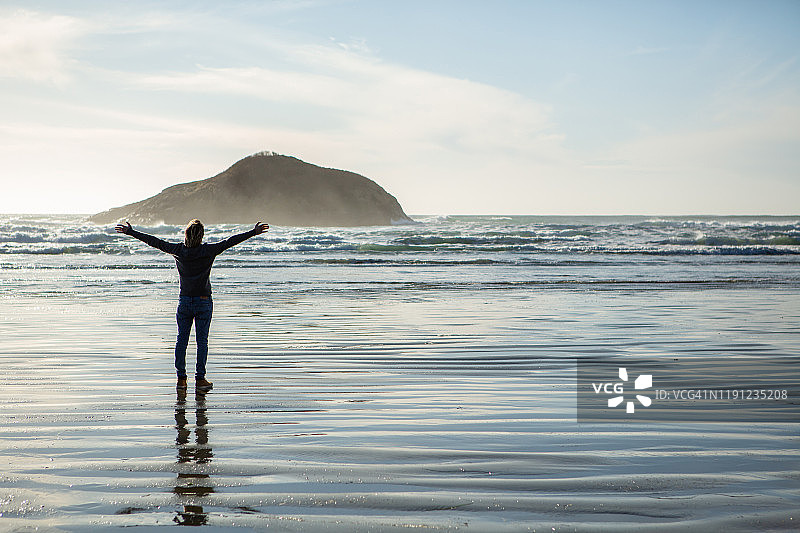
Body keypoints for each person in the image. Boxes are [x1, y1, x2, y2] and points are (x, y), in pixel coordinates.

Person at [115, 219, 269, 391]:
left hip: (185, 302)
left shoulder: (179, 250)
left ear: (186, 234)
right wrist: (253, 232)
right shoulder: (208, 250)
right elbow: (230, 241)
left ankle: (181, 380)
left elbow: (155, 242)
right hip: (203, 301)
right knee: (201, 342)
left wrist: (132, 232)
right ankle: (200, 379)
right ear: (202, 235)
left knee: (182, 340)